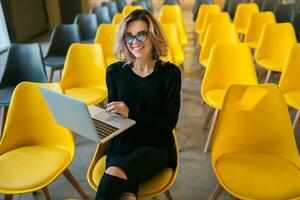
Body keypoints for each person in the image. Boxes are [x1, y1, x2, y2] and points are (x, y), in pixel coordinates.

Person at [95, 9, 181, 200]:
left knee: (111, 178)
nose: (135, 42)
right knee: (125, 196)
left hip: (155, 145)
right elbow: (116, 116)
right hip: (123, 144)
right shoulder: (114, 72)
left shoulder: (170, 74)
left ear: (153, 36)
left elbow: (168, 124)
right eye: (129, 36)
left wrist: (131, 113)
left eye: (141, 34)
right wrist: (97, 124)